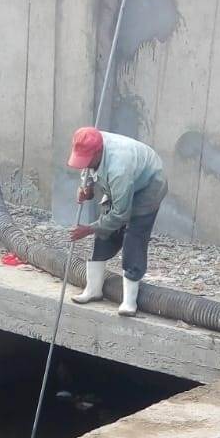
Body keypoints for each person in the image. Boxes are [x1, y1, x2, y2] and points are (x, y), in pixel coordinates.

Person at [67, 127, 168, 317]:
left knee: (133, 236)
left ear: (98, 153)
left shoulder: (119, 168)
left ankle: (129, 300)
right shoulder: (89, 142)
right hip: (126, 180)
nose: (84, 163)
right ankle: (93, 289)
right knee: (104, 231)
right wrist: (86, 188)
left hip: (149, 186)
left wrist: (89, 229)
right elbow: (88, 169)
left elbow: (121, 214)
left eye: (87, 159)